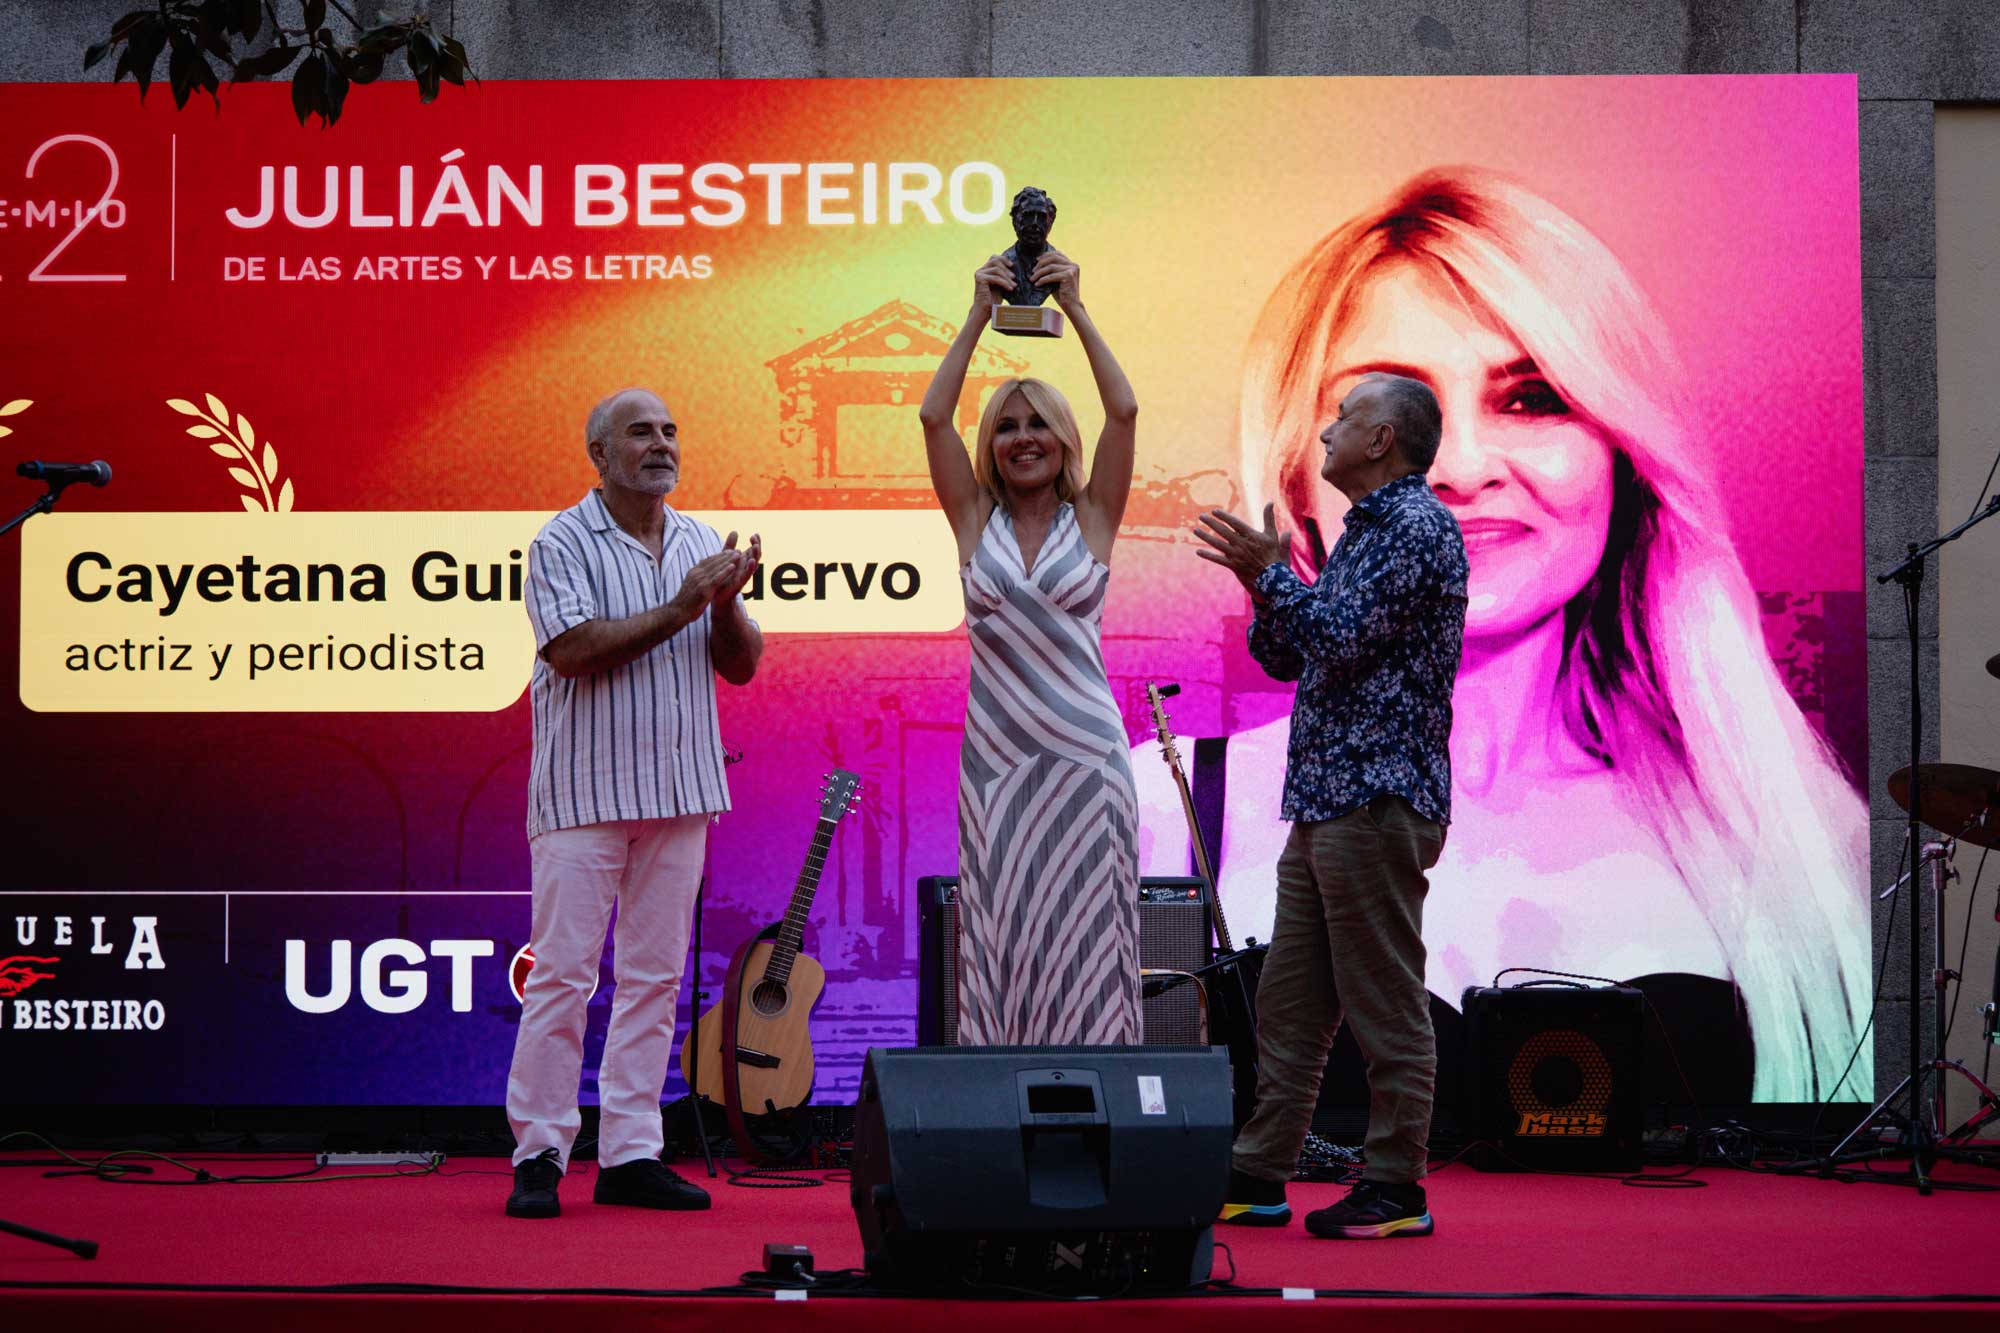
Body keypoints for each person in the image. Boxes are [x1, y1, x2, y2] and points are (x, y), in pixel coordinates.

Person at [1135, 167, 1872, 1105]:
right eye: (1386, 415)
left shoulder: (1796, 839)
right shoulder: (1159, 812)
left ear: (1622, 456)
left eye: (1529, 398)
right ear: (1293, 481)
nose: (1461, 467)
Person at [1196, 372, 1466, 1238]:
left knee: (1385, 1002)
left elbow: (1338, 638)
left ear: (1383, 439)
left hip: (1378, 799)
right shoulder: (1367, 533)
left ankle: (1397, 1188)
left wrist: (1272, 578)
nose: (1326, 435)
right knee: (1290, 1004)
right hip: (1326, 802)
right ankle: (1259, 1171)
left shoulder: (1418, 528)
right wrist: (1263, 585)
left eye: (1344, 419)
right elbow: (1294, 655)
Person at [504, 387, 763, 1220]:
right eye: (640, 432)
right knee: (562, 979)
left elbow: (743, 665)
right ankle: (541, 1151)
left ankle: (631, 1152)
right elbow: (574, 651)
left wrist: (722, 605)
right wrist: (685, 602)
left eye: (670, 431)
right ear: (600, 455)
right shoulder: (561, 541)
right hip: (584, 794)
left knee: (654, 980)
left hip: (681, 792)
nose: (661, 444)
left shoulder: (696, 539)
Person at [917, 247, 1142, 1044]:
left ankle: (1103, 1104)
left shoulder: (1095, 517)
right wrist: (977, 314)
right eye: (1008, 426)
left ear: (1062, 436)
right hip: (1000, 768)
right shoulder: (975, 521)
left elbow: (1123, 411)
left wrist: (1076, 308)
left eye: (1038, 422)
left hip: (1088, 764)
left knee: (1093, 943)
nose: (1023, 437)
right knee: (1003, 940)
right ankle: (1004, 1102)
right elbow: (933, 419)